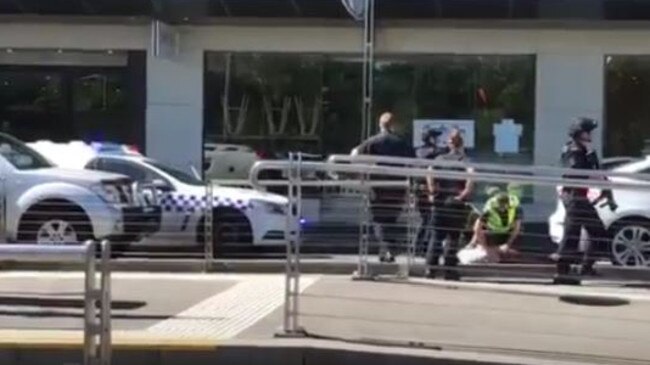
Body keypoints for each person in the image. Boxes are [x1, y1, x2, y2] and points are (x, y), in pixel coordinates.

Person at [554, 117, 615, 285]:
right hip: (575, 197)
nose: (591, 135)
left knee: (593, 234)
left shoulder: (582, 149)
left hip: (580, 197)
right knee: (574, 235)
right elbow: (574, 171)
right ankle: (564, 272)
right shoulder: (574, 150)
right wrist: (589, 160)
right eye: (588, 131)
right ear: (580, 133)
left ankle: (581, 268)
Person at [353, 112, 414, 262]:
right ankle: (387, 251)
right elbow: (413, 161)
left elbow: (355, 156)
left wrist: (363, 176)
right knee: (391, 220)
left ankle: (387, 250)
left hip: (378, 187)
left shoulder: (373, 142)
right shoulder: (401, 142)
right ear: (393, 125)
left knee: (379, 220)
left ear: (381, 125)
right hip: (398, 187)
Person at [425, 129, 474, 280]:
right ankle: (449, 270)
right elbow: (471, 174)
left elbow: (429, 171)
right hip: (456, 202)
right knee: (453, 237)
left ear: (448, 143)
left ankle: (430, 269)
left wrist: (432, 190)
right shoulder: (464, 159)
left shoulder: (440, 158)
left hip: (440, 201)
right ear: (462, 144)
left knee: (436, 236)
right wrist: (465, 192)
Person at [471, 187, 523, 263]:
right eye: (500, 206)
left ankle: (500, 251)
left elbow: (517, 228)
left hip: (509, 233)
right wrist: (485, 248)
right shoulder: (489, 209)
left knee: (515, 255)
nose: (502, 209)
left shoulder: (515, 207)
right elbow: (477, 228)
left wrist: (508, 244)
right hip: (492, 233)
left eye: (504, 206)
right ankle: (489, 250)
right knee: (492, 258)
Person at [415, 127, 445, 257]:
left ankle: (419, 247)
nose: (439, 140)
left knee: (426, 219)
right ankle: (424, 247)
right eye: (436, 137)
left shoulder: (417, 151)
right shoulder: (437, 153)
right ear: (432, 138)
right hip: (432, 191)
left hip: (419, 190)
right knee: (430, 220)